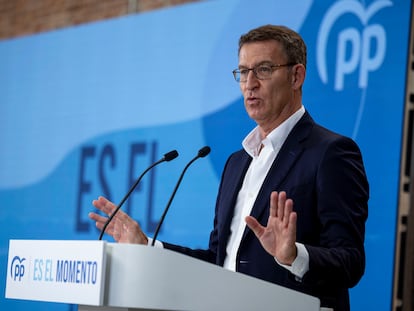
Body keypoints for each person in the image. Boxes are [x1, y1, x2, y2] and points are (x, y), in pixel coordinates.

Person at [89, 24, 369, 311]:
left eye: (263, 69)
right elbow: (219, 260)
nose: (250, 84)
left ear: (296, 76)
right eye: (243, 72)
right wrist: (148, 247)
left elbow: (350, 262)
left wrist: (293, 255)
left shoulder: (330, 153)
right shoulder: (237, 163)